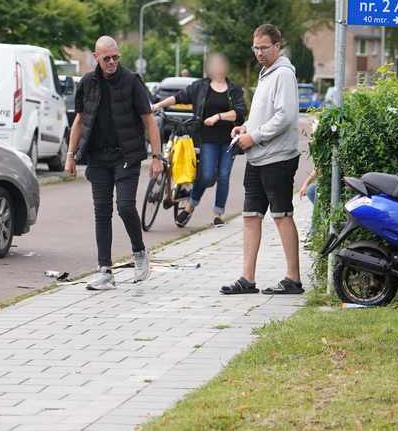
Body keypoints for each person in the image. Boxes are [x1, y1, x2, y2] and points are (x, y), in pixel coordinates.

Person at [65, 36, 164, 291]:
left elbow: (149, 121)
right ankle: (105, 271)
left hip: (126, 156)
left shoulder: (131, 81)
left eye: (115, 57)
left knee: (125, 206)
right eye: (106, 58)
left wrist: (157, 157)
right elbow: (79, 120)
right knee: (101, 212)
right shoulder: (88, 83)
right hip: (98, 158)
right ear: (96, 58)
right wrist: (70, 155)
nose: (111, 62)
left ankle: (140, 253)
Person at [220, 24, 303, 296]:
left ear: (278, 46)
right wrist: (245, 128)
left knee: (282, 215)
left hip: (277, 158)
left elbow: (286, 116)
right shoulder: (266, 74)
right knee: (250, 216)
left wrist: (254, 137)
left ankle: (293, 279)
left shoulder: (283, 75)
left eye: (264, 48)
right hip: (258, 157)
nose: (259, 53)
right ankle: (247, 278)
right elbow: (267, 115)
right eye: (255, 48)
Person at [150, 53, 246, 226]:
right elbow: (179, 97)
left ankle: (217, 214)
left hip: (228, 140)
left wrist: (218, 116)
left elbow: (239, 112)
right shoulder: (200, 87)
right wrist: (158, 105)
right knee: (207, 175)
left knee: (223, 176)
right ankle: (190, 205)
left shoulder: (233, 89)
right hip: (206, 138)